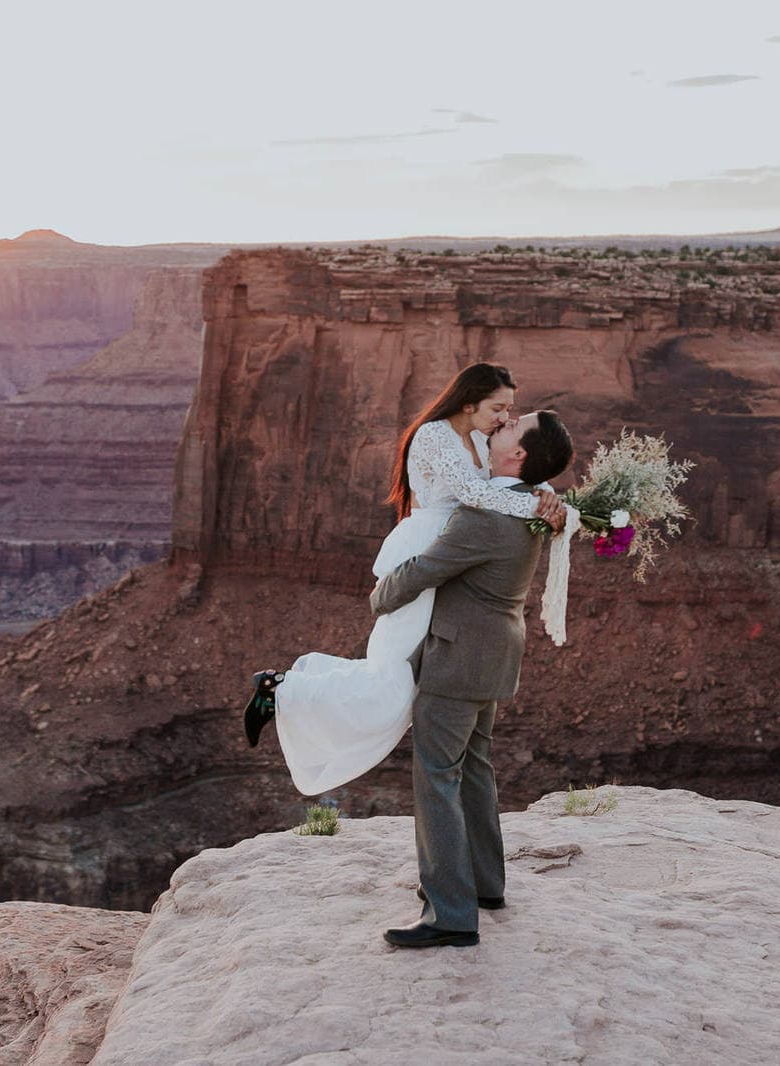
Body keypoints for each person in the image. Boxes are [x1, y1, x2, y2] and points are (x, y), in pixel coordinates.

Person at [242, 363, 565, 796]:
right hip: (423, 554)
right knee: (391, 680)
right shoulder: (435, 435)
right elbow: (476, 495)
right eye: (498, 407)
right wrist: (543, 507)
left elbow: (507, 480)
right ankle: (281, 689)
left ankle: (285, 689)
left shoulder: (474, 438)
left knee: (401, 680)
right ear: (469, 403)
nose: (506, 417)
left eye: (511, 410)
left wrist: (549, 495)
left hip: (452, 560)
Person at [371, 410, 575, 948]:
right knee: (476, 769)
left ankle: (450, 914)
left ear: (519, 456)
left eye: (510, 428)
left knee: (437, 777)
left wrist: (379, 595)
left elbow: (425, 571)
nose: (498, 426)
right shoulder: (533, 504)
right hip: (496, 654)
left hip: (458, 660)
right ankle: (484, 885)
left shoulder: (487, 514)